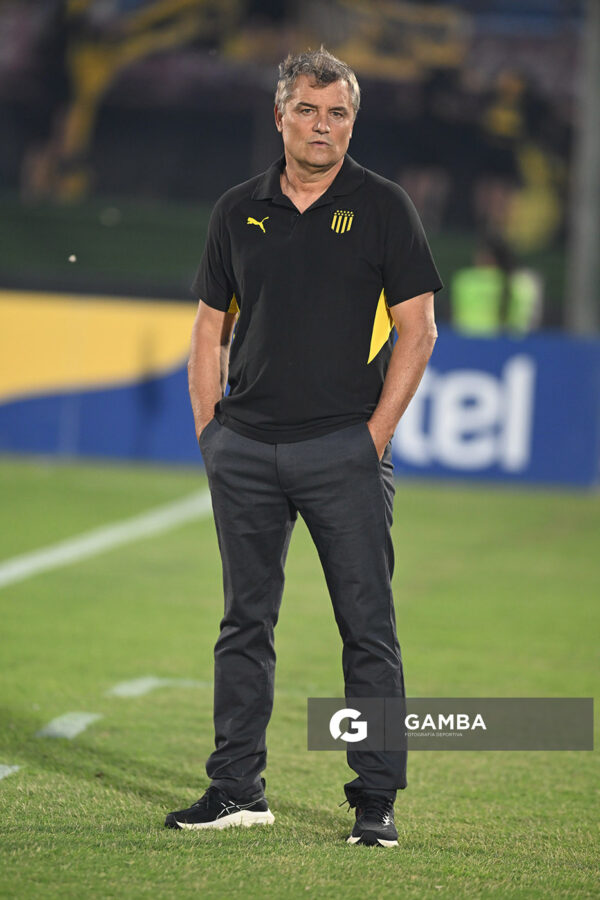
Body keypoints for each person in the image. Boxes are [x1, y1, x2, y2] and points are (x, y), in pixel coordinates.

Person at [165, 47, 442, 847]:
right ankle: (236, 790)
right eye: (309, 111)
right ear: (281, 115)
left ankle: (375, 801)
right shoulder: (236, 210)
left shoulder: (384, 206)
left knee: (368, 628)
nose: (323, 126)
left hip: (342, 451)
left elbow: (420, 330)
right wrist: (211, 432)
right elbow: (208, 330)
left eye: (338, 113)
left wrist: (373, 439)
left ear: (353, 122)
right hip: (245, 450)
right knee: (243, 625)